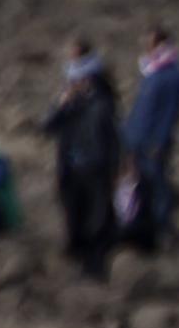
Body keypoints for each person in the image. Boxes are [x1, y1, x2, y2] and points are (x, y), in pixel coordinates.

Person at [41, 46, 121, 278]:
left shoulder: (103, 104)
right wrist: (60, 105)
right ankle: (80, 263)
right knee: (74, 218)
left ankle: (97, 268)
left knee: (96, 220)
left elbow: (111, 138)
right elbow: (47, 127)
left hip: (96, 170)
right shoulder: (70, 105)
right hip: (71, 170)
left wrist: (114, 169)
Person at [123, 25, 179, 251]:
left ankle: (165, 231)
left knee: (159, 185)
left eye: (151, 42)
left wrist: (159, 141)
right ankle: (144, 232)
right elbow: (139, 110)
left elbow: (170, 112)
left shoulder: (172, 73)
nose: (147, 46)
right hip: (138, 140)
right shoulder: (151, 72)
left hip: (154, 142)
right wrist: (128, 139)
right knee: (140, 186)